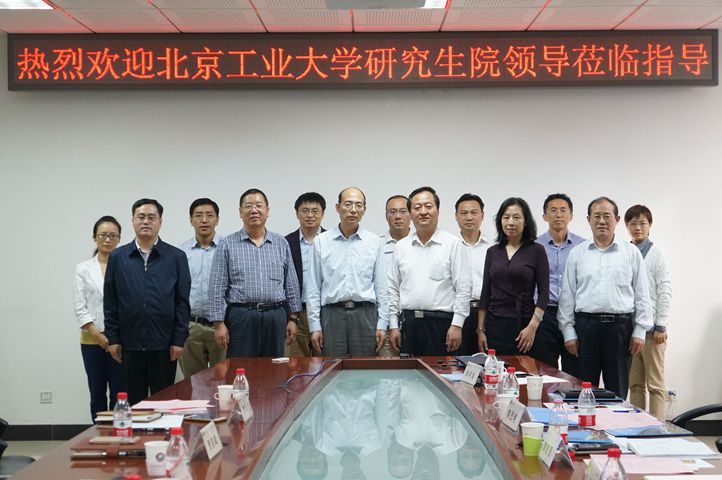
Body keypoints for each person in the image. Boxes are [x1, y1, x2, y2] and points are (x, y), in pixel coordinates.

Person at [558, 197, 652, 398]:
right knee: (582, 392)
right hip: (585, 329)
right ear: (589, 220)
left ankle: (616, 420)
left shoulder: (631, 253)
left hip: (620, 331)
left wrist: (640, 330)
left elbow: (642, 293)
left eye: (607, 216)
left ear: (616, 219)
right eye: (597, 216)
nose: (601, 221)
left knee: (617, 393)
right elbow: (567, 295)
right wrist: (568, 332)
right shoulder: (577, 253)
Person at [104, 199, 191, 405]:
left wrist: (178, 340)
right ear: (133, 220)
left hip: (164, 345)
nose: (145, 221)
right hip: (129, 344)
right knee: (135, 405)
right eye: (141, 217)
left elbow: (182, 302)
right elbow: (110, 301)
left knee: (163, 402)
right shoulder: (118, 257)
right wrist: (113, 338)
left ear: (160, 222)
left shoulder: (176, 257)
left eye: (151, 217)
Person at [209, 188, 301, 358]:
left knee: (274, 367)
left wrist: (293, 319)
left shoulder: (281, 243)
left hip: (275, 316)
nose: (254, 210)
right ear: (240, 212)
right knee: (241, 367)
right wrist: (218, 324)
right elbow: (217, 287)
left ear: (267, 211)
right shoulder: (227, 244)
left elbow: (291, 284)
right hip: (241, 316)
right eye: (248, 206)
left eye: (259, 205)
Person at [388, 186, 471, 356]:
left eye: (428, 206)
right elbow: (392, 289)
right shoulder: (401, 247)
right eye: (417, 207)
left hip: (442, 325)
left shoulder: (452, 244)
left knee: (441, 372)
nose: (423, 212)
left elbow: (463, 288)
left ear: (437, 211)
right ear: (411, 213)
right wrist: (393, 325)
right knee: (409, 372)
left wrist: (457, 325)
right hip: (409, 324)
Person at [307, 187, 388, 357]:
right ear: (338, 207)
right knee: (332, 367)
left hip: (365, 314)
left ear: (364, 210)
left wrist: (382, 324)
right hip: (331, 315)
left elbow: (381, 287)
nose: (353, 209)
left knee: (365, 369)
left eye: (358, 205)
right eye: (348, 204)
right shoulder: (321, 241)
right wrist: (315, 326)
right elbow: (313, 287)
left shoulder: (374, 242)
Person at [477, 197, 549, 357]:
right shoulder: (492, 252)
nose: (511, 222)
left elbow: (544, 293)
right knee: (495, 370)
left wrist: (532, 327)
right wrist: (480, 329)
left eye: (516, 217)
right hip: (495, 325)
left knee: (524, 370)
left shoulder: (537, 250)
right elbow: (485, 292)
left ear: (526, 221)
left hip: (525, 325)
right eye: (506, 217)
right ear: (500, 221)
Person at [74, 215, 124, 421]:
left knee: (120, 392)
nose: (108, 240)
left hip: (120, 340)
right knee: (97, 392)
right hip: (91, 340)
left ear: (119, 239)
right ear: (94, 237)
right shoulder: (83, 268)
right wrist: (99, 336)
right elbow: (80, 307)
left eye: (113, 235)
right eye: (103, 235)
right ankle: (99, 433)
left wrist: (113, 338)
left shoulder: (126, 266)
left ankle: (118, 432)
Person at [625, 204, 671, 417]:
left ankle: (658, 427)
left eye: (642, 223)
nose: (638, 228)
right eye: (633, 223)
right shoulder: (625, 252)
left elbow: (665, 289)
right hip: (631, 329)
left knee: (655, 384)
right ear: (626, 225)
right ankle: (637, 425)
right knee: (634, 384)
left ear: (650, 225)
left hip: (653, 331)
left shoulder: (657, 253)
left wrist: (661, 324)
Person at [535, 193, 585, 373]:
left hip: (573, 315)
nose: (558, 214)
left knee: (574, 370)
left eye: (563, 210)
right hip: (544, 314)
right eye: (553, 210)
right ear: (544, 216)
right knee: (545, 370)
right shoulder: (535, 246)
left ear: (571, 216)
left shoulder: (582, 246)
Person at [178, 198, 225, 377]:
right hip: (191, 327)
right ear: (191, 220)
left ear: (217, 219)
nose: (204, 220)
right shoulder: (181, 253)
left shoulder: (228, 248)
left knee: (224, 383)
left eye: (209, 215)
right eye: (198, 215)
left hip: (221, 327)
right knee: (192, 384)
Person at [285, 192, 326, 357]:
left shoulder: (332, 241)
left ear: (323, 213)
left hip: (325, 313)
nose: (310, 215)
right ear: (297, 213)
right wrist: (291, 317)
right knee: (295, 365)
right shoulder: (286, 243)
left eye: (315, 211)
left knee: (325, 363)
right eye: (305, 210)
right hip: (298, 314)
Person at [454, 193, 491, 355]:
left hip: (486, 313)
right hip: (456, 314)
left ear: (482, 215)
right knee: (456, 362)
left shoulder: (493, 248)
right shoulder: (450, 246)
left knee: (487, 362)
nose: (469, 217)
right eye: (464, 213)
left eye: (474, 212)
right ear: (456, 216)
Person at [378, 195, 412, 356]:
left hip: (414, 321)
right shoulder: (376, 245)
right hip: (384, 322)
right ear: (386, 216)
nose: (398, 216)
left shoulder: (420, 244)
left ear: (411, 214)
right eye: (392, 212)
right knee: (388, 368)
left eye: (403, 211)